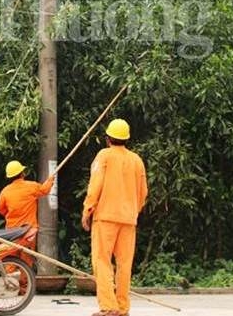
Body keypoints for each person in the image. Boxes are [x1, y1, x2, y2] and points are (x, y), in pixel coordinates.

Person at [82, 119, 148, 316]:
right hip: (128, 219)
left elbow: (95, 185)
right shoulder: (137, 160)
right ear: (126, 139)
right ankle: (122, 307)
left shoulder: (104, 156)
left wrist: (87, 210)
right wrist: (133, 211)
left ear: (108, 138)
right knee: (124, 264)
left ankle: (109, 307)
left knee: (102, 261)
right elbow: (143, 192)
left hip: (105, 217)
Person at [0, 159, 55, 238]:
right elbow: (45, 190)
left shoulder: (5, 191)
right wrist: (50, 180)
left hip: (11, 231)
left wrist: (14, 212)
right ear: (22, 174)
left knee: (15, 249)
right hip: (29, 230)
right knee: (27, 249)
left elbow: (1, 210)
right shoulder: (31, 186)